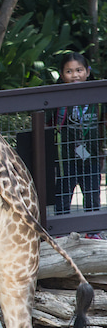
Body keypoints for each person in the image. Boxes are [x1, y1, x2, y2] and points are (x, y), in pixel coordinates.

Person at [53, 52, 105, 215]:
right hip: (66, 158)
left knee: (92, 194)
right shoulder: (57, 97)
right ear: (62, 74)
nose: (74, 75)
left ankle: (93, 231)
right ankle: (61, 232)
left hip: (92, 155)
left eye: (79, 70)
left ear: (87, 72)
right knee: (63, 194)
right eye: (69, 71)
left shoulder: (97, 97)